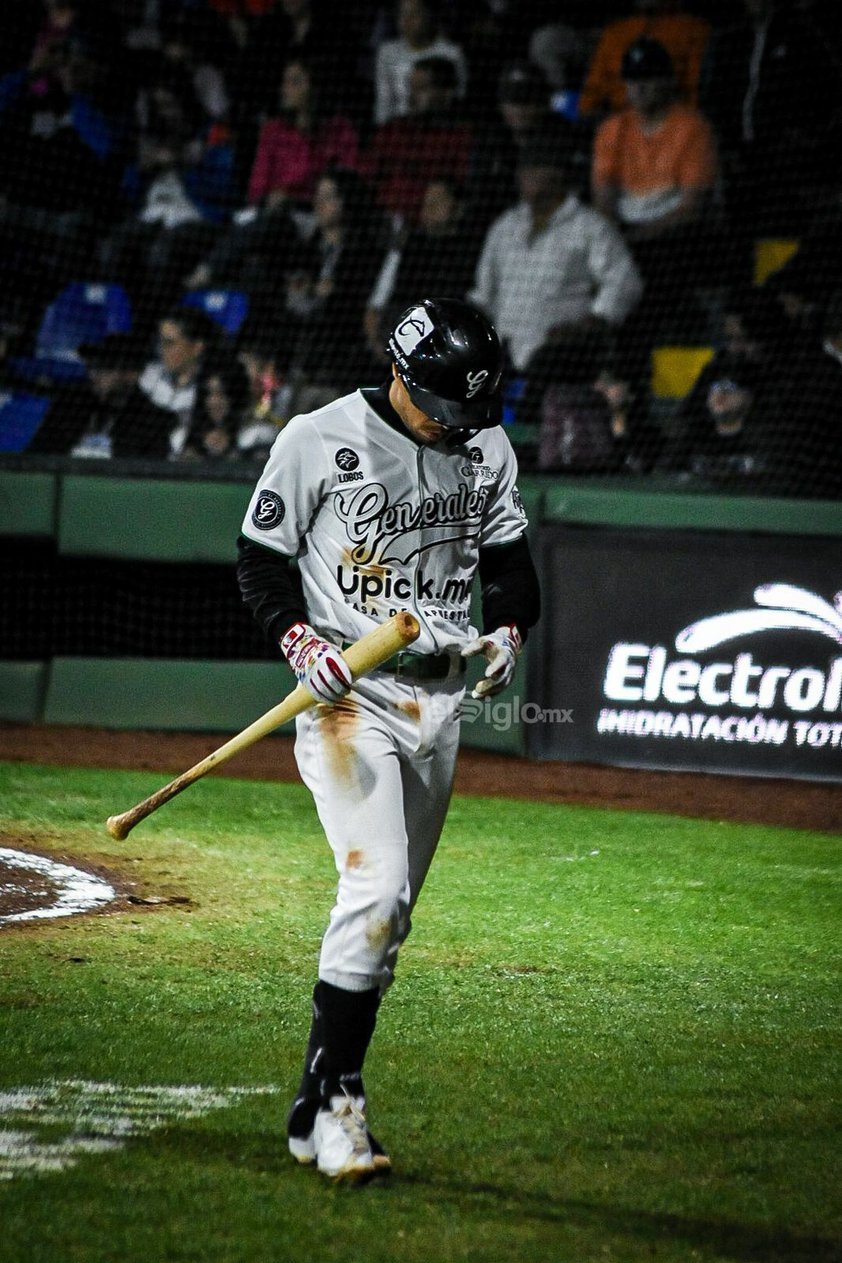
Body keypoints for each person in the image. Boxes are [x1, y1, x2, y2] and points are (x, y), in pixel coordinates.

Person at [236, 296, 541, 1181]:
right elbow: (260, 557)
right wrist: (301, 643)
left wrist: (510, 636)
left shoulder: (485, 445)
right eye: (445, 407)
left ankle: (311, 1102)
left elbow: (512, 568)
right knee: (376, 893)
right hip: (348, 698)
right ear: (402, 375)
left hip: (441, 706)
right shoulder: (317, 437)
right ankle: (339, 1112)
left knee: (390, 920)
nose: (458, 428)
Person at [470, 121, 643, 376]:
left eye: (534, 168)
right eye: (523, 169)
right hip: (502, 356)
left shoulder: (589, 226)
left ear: (557, 173)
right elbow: (484, 293)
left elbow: (624, 281)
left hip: (562, 359)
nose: (525, 176)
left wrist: (590, 323)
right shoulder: (505, 226)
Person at [591, 36, 720, 369]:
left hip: (675, 237)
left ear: (667, 81)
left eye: (647, 79)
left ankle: (632, 360)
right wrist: (613, 237)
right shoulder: (612, 129)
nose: (639, 88)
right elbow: (602, 196)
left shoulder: (692, 127)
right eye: (633, 80)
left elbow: (692, 208)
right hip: (626, 233)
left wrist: (634, 239)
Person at [364, 177, 483, 366]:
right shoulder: (406, 246)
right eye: (427, 202)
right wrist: (379, 347)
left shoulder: (472, 252)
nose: (429, 207)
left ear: (459, 208)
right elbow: (375, 306)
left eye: (439, 201)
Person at [363, 54, 474, 232]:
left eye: (422, 88)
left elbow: (458, 194)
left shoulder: (462, 137)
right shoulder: (391, 131)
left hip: (434, 231)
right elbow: (368, 182)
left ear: (447, 92)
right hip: (384, 228)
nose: (411, 96)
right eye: (411, 87)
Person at [27, 331, 172, 460]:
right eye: (92, 367)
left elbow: (150, 480)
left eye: (105, 368)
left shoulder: (154, 421)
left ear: (131, 374)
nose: (94, 375)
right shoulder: (70, 405)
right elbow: (35, 457)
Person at [578, 0, 710, 119]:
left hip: (667, 122)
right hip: (616, 122)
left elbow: (695, 94)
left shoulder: (694, 30)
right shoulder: (614, 33)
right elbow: (591, 94)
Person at [138, 305, 220, 456]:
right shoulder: (148, 379)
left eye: (170, 343)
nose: (162, 350)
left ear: (196, 347)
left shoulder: (213, 389)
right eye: (161, 342)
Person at [372, 0, 467, 126]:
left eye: (414, 14)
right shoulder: (387, 52)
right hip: (399, 129)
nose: (406, 21)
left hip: (440, 126)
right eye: (402, 14)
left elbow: (459, 97)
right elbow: (384, 102)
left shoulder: (451, 53)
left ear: (429, 16)